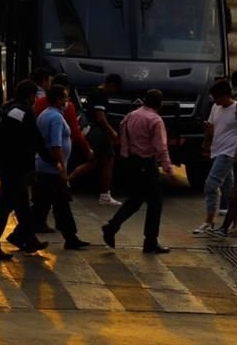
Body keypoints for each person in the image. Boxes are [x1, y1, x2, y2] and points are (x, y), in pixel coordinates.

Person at [0, 80, 51, 260]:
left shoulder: (8, 108)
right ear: (30, 96)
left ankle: (28, 240)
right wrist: (52, 161)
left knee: (22, 205)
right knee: (3, 208)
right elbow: (35, 140)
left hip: (6, 165)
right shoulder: (23, 112)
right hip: (14, 167)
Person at [102, 90, 176, 254]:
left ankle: (112, 226)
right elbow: (161, 147)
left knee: (135, 199)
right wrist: (168, 168)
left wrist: (125, 153)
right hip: (146, 163)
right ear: (160, 104)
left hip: (131, 161)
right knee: (155, 203)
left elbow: (122, 133)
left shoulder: (131, 115)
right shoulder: (155, 120)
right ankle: (150, 241)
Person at [29, 84, 90, 250]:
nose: (67, 101)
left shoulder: (46, 114)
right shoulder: (55, 118)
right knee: (58, 203)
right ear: (57, 99)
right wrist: (62, 168)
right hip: (52, 169)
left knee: (49, 204)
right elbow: (56, 145)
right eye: (65, 97)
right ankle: (70, 237)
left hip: (46, 166)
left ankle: (70, 237)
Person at [194, 79, 237, 235]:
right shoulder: (216, 107)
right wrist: (207, 144)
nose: (214, 101)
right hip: (217, 151)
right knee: (229, 191)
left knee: (210, 185)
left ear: (225, 95)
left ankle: (209, 221)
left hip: (228, 153)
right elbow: (211, 127)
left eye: (216, 97)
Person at [82, 73, 124, 207]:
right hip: (100, 132)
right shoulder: (101, 95)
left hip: (92, 129)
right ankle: (105, 195)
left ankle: (66, 181)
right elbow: (100, 117)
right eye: (115, 89)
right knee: (108, 160)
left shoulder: (93, 91)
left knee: (93, 161)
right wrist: (111, 131)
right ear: (111, 85)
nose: (114, 92)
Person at [212, 98, 237, 238]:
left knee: (234, 201)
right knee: (233, 201)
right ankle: (224, 229)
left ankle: (224, 229)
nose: (236, 114)